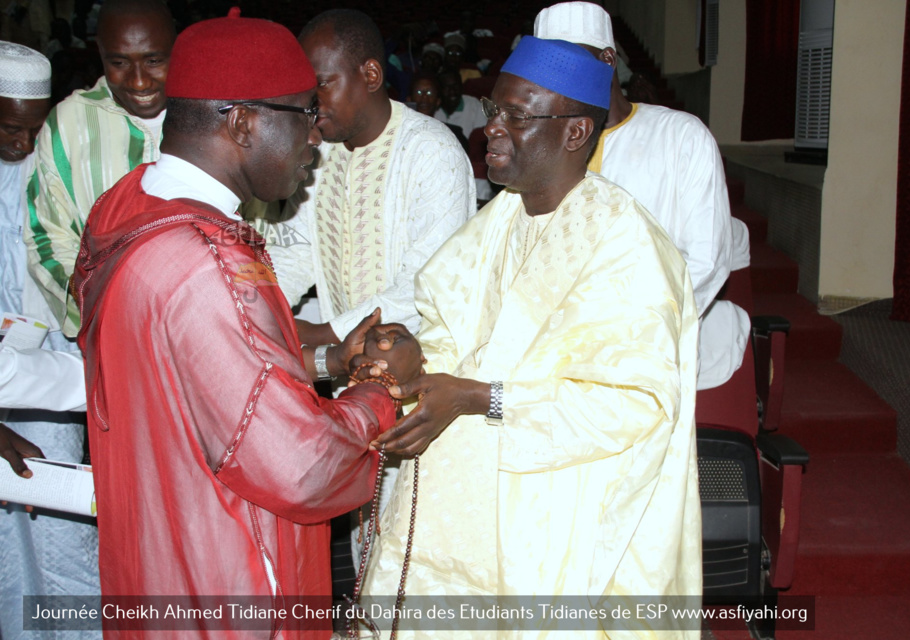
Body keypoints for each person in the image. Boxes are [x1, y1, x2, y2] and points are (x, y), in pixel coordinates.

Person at [72, 10, 418, 632]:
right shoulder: (207, 262)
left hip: (158, 556)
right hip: (225, 575)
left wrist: (326, 362)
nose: (316, 137)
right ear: (243, 121)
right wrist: (379, 392)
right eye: (304, 114)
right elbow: (299, 463)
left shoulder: (126, 205)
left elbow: (201, 376)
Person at [363, 37, 702, 637]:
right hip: (463, 511)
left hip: (555, 524)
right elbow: (450, 331)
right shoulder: (499, 219)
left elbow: (636, 404)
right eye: (493, 111)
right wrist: (411, 360)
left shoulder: (626, 245)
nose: (490, 128)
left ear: (574, 133)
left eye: (514, 117)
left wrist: (480, 398)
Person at [535, 1, 752, 390]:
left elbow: (705, 261)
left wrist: (623, 332)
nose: (553, 79)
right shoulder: (545, 146)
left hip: (653, 346)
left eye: (565, 63)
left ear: (607, 60)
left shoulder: (681, 136)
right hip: (562, 351)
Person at [264, 8, 475, 351]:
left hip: (424, 363)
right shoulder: (317, 151)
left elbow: (424, 286)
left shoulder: (432, 151)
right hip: (345, 363)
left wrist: (323, 335)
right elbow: (298, 251)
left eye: (322, 85)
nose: (311, 105)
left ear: (372, 75)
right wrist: (258, 310)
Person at [0, 40, 99, 640]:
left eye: (32, 130)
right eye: (9, 127)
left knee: (58, 522)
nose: (20, 142)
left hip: (52, 368)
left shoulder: (57, 164)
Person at [24, 0, 176, 339]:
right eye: (119, 62)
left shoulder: (211, 111)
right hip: (111, 329)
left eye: (154, 60)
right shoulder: (69, 124)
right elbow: (47, 234)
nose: (139, 82)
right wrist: (99, 308)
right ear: (100, 52)